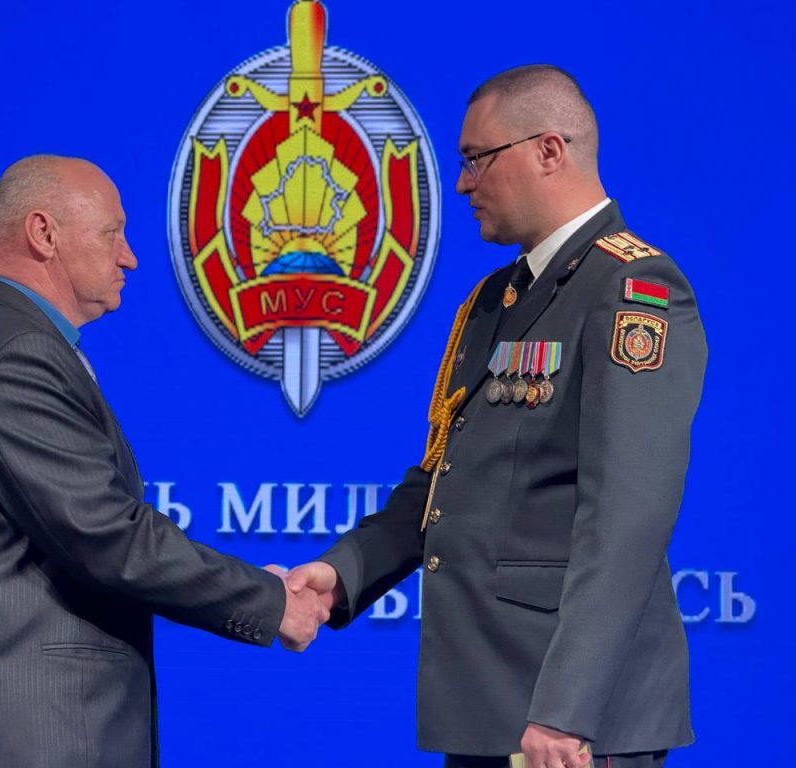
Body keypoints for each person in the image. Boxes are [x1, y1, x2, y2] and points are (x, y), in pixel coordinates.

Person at [287, 65, 706, 768]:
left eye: (477, 158)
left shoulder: (631, 289)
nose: (462, 184)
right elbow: (443, 484)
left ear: (549, 151)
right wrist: (344, 572)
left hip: (568, 722)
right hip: (487, 707)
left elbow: (627, 519)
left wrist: (567, 710)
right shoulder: (493, 301)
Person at [0, 155, 328, 767]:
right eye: (112, 232)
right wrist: (270, 602)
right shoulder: (16, 357)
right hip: (17, 734)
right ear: (44, 234)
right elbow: (106, 535)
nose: (130, 257)